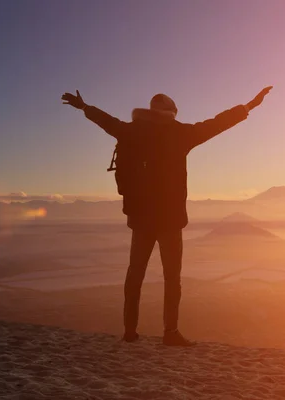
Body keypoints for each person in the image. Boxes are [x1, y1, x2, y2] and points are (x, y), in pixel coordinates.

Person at [61, 86, 273, 346]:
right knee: (172, 277)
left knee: (135, 274)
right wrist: (249, 106)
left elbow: (107, 121)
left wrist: (84, 107)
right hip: (170, 221)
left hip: (140, 219)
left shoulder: (130, 131)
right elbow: (217, 124)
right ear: (172, 112)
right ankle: (170, 332)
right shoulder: (181, 134)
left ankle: (129, 330)